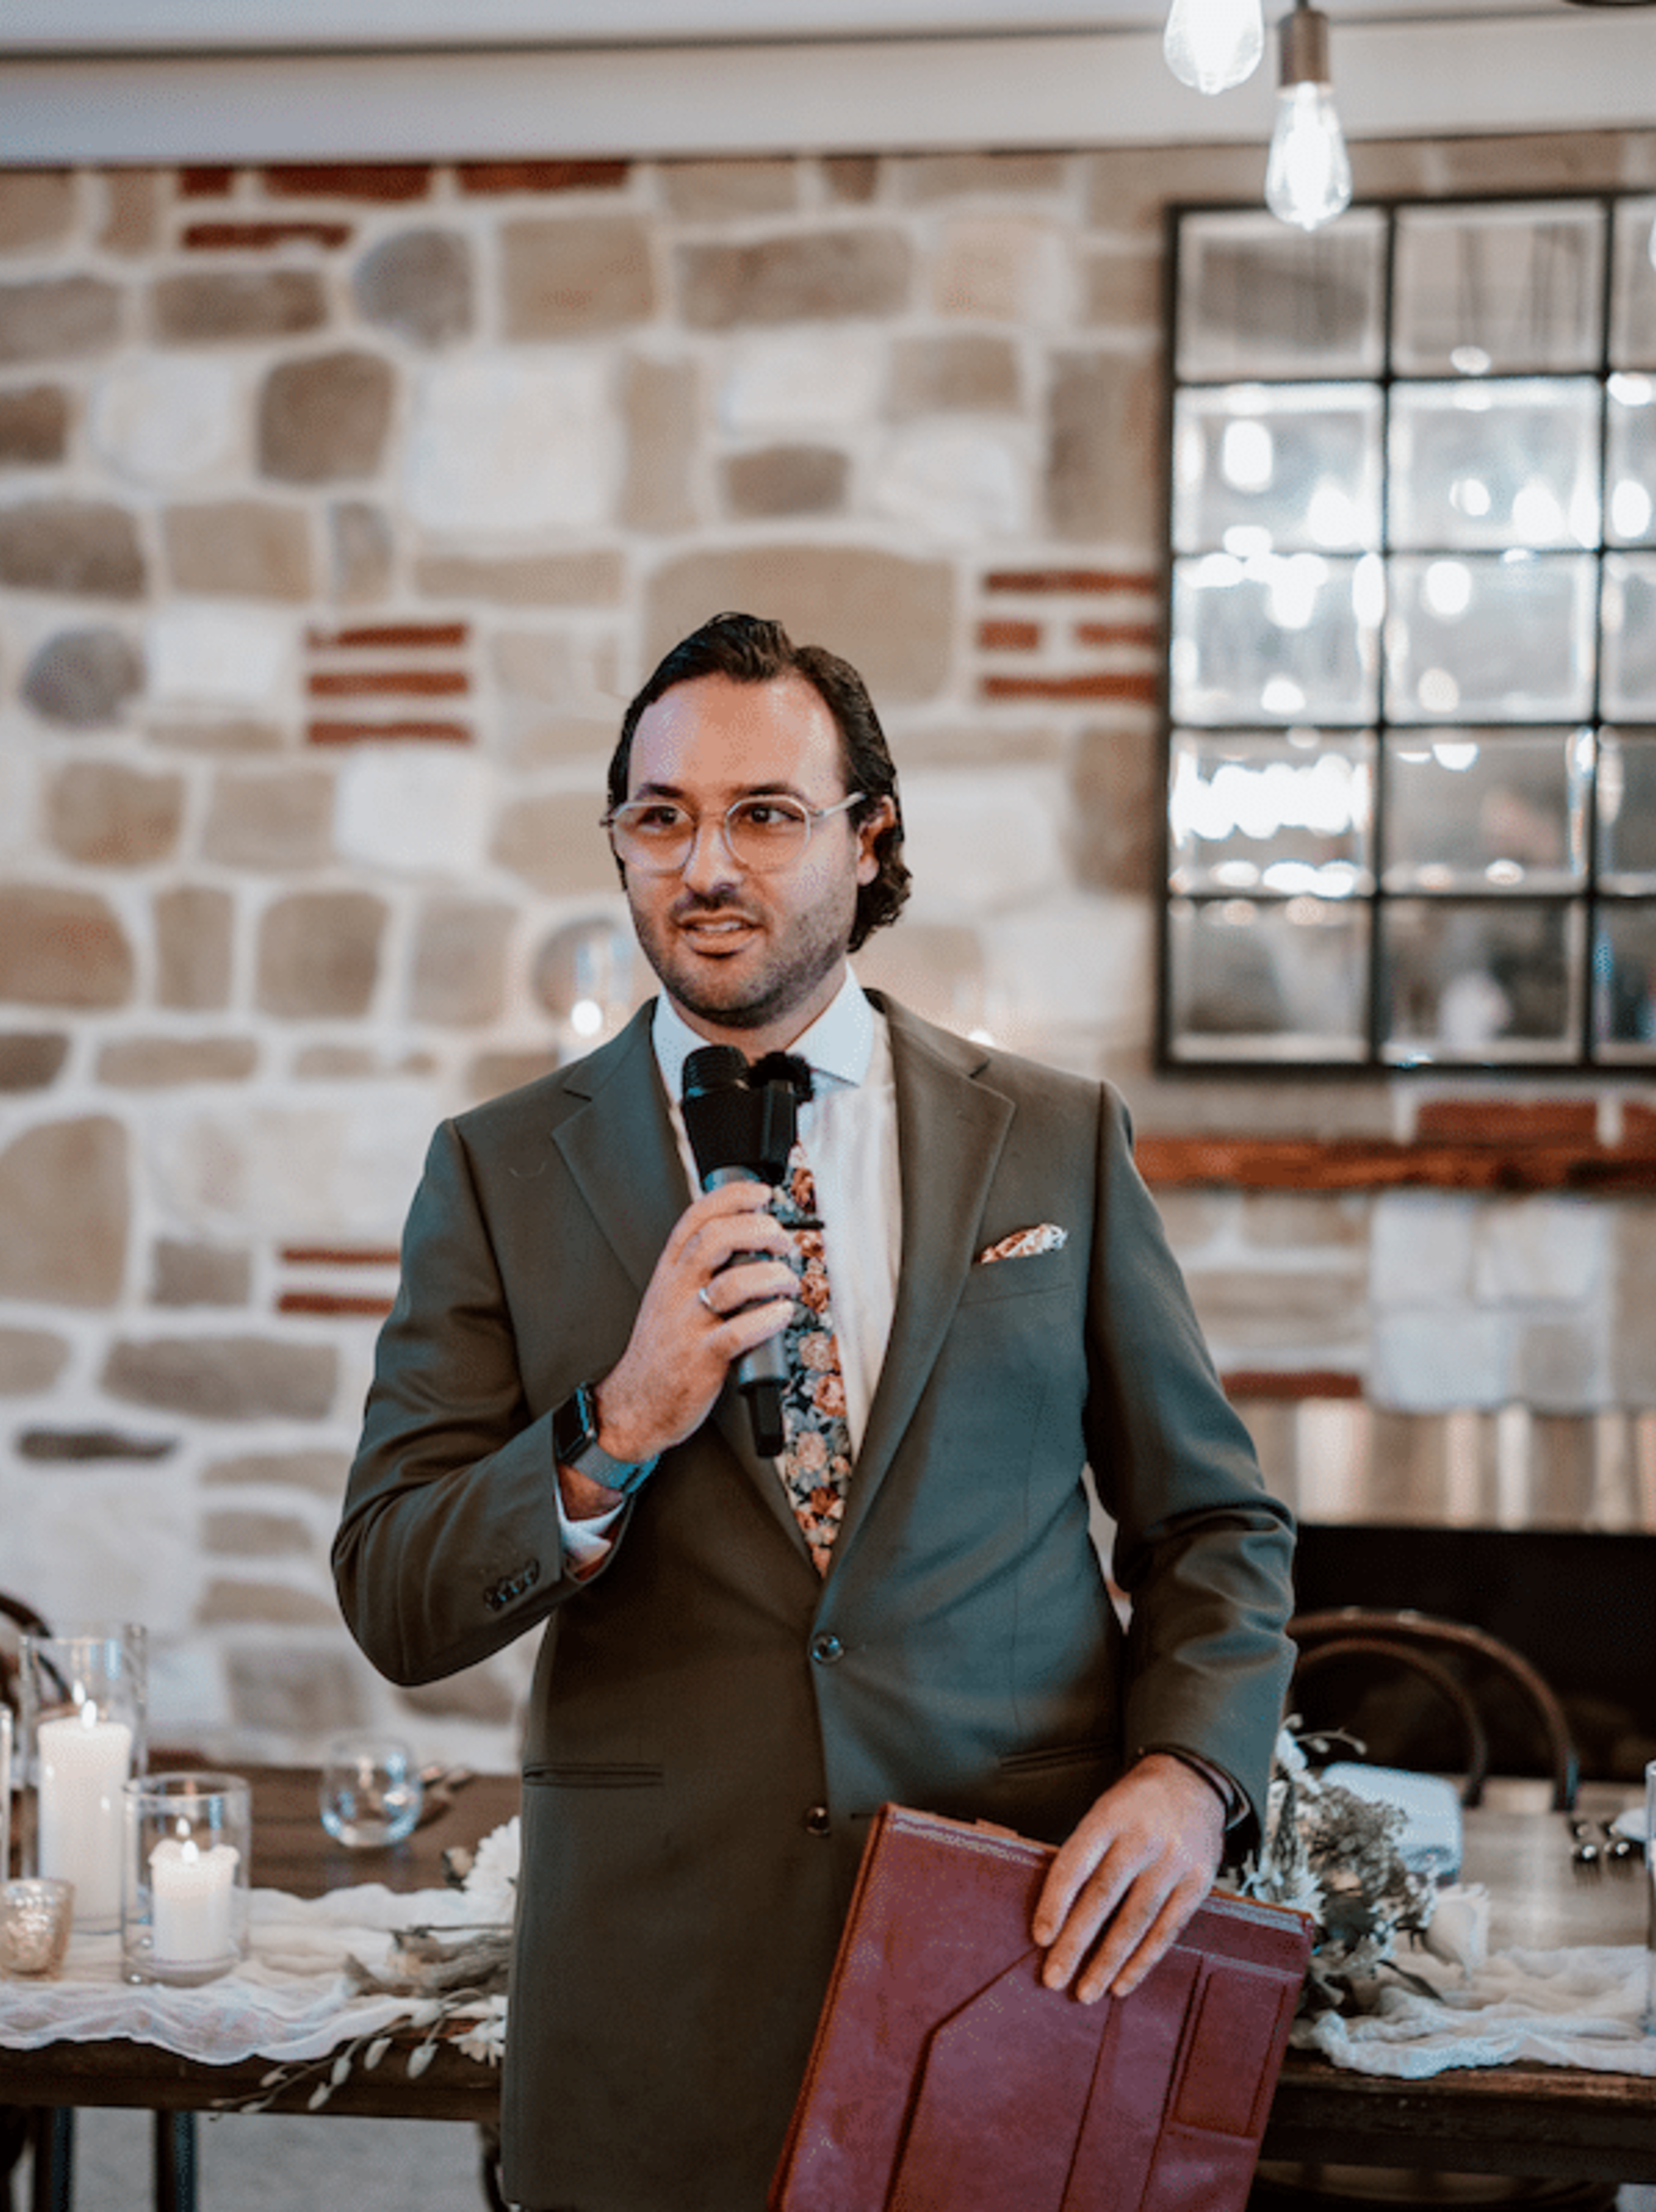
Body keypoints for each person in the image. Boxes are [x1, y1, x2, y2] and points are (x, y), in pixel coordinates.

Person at [334, 611, 1296, 2212]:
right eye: (661, 819)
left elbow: (1212, 1524)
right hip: (655, 1995)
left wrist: (1194, 1775)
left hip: (1019, 1957)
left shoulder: (1050, 1139)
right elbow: (395, 1588)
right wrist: (617, 1421)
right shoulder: (498, 1167)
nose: (706, 862)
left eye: (766, 813)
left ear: (869, 837)